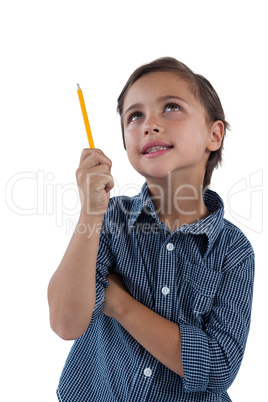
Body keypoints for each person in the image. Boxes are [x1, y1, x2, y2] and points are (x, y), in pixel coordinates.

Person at [48, 57, 255, 401]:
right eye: (135, 116)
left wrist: (117, 302)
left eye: (171, 107)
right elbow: (66, 323)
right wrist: (91, 211)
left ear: (213, 135)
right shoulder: (109, 220)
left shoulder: (233, 251)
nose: (149, 125)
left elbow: (218, 368)